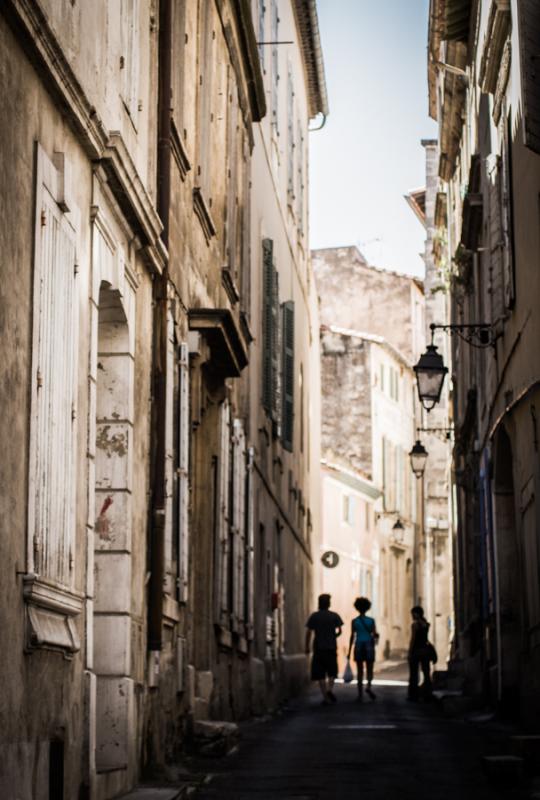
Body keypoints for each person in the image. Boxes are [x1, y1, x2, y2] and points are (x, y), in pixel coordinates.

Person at [305, 594, 344, 704]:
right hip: (331, 647)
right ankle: (329, 690)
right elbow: (340, 631)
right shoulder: (334, 616)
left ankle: (325, 697)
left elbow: (309, 632)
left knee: (320, 673)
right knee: (332, 671)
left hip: (319, 648)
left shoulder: (314, 616)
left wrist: (307, 646)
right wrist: (333, 636)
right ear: (329, 604)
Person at [347, 596, 378, 701]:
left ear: (357, 607)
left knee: (360, 671)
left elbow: (352, 636)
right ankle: (368, 686)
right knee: (369, 669)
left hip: (359, 645)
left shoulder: (354, 621)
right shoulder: (371, 621)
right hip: (369, 645)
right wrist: (376, 637)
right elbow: (374, 634)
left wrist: (349, 651)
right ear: (367, 607)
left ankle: (360, 695)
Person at [408, 605, 432, 701]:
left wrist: (410, 652)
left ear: (416, 614)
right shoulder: (426, 624)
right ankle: (427, 694)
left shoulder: (415, 625)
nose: (412, 616)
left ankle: (413, 695)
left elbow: (413, 639)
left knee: (414, 674)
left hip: (416, 650)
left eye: (413, 613)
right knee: (426, 673)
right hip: (425, 650)